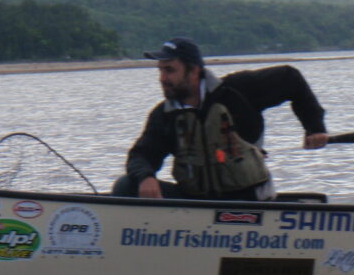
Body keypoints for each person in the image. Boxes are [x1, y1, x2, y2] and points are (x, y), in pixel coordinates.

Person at [112, 37, 329, 201]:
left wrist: (314, 128)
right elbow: (141, 155)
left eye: (170, 70)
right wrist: (145, 177)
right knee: (125, 187)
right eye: (160, 71)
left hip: (249, 200)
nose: (162, 79)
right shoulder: (165, 115)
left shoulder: (237, 91)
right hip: (198, 202)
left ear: (194, 71)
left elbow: (290, 78)